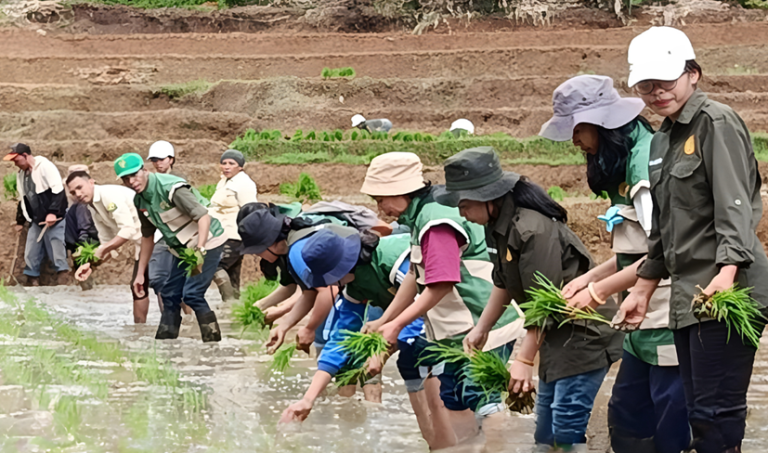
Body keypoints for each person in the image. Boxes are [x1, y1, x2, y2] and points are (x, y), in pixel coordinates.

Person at [609, 26, 768, 453]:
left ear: (693, 74)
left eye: (665, 80)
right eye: (646, 85)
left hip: (726, 291)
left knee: (716, 417)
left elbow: (734, 204)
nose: (657, 92)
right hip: (689, 298)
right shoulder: (663, 139)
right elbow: (664, 226)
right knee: (700, 413)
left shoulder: (716, 121)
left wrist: (728, 272)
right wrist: (643, 288)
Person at [432, 147, 624, 452]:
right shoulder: (496, 225)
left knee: (566, 427)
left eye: (464, 205)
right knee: (544, 435)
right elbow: (504, 282)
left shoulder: (532, 229)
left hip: (584, 334)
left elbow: (544, 302)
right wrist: (481, 328)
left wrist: (523, 360)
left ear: (488, 197)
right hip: (554, 335)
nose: (461, 213)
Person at [539, 75, 690, 453]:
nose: (574, 140)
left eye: (577, 129)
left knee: (670, 426)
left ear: (603, 123)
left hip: (667, 317)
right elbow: (636, 251)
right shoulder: (625, 163)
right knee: (626, 418)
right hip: (641, 322)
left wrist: (597, 291)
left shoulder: (644, 165)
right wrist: (588, 278)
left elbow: (666, 251)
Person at [359, 151, 526, 450]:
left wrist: (396, 325)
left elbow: (441, 284)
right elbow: (415, 273)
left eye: (382, 199)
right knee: (455, 397)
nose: (381, 208)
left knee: (481, 397)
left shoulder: (436, 220)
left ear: (402, 191)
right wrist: (385, 319)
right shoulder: (421, 215)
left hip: (481, 322)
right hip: (454, 331)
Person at [278, 231, 437, 447]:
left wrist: (383, 350)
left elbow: (426, 308)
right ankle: (434, 443)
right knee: (407, 366)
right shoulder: (353, 286)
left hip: (454, 312)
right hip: (422, 322)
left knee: (419, 361)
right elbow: (341, 340)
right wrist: (308, 399)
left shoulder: (392, 263)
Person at [114, 152, 227, 342]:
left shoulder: (171, 188)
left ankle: (213, 343)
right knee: (169, 293)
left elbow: (203, 217)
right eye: (126, 179)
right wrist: (140, 274)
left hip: (208, 241)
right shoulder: (140, 201)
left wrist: (200, 249)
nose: (132, 182)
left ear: (145, 170)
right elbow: (147, 237)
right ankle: (165, 344)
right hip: (182, 249)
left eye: (134, 175)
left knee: (192, 294)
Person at [65, 171, 151, 324]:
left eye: (79, 187)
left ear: (91, 182)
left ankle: (178, 324)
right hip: (142, 245)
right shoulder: (93, 207)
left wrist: (103, 250)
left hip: (158, 239)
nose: (77, 194)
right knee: (138, 288)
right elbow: (108, 242)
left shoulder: (108, 195)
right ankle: (140, 330)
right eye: (73, 192)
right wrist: (90, 265)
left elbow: (128, 230)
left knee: (164, 285)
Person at [5, 143, 69, 287]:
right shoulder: (21, 174)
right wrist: (20, 221)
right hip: (36, 219)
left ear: (25, 156)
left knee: (56, 247)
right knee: (31, 251)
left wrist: (53, 213)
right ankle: (33, 281)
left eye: (16, 160)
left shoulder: (45, 166)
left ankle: (63, 279)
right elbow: (23, 199)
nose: (15, 164)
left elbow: (58, 190)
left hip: (54, 219)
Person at [145, 140, 191, 316]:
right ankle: (169, 320)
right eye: (154, 160)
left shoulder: (179, 182)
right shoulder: (149, 182)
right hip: (160, 235)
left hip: (181, 234)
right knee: (158, 279)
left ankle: (189, 319)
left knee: (181, 282)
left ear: (171, 159)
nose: (158, 163)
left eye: (161, 159)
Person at [207, 149, 257, 304]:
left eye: (231, 163)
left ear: (240, 166)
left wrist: (249, 237)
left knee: (213, 266)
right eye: (224, 163)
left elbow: (250, 211)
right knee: (232, 273)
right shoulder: (224, 182)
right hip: (220, 233)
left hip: (233, 235)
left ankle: (229, 303)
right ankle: (236, 310)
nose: (226, 166)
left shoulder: (245, 184)